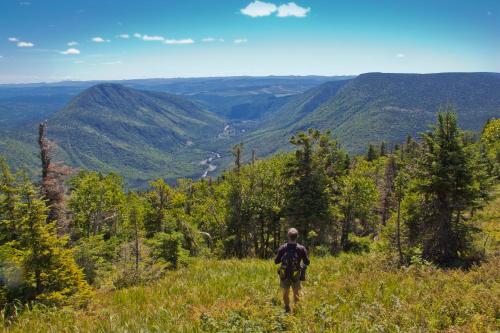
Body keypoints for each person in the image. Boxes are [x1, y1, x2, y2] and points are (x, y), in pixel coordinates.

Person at [274, 228, 310, 313]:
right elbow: (307, 262)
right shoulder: (301, 248)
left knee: (285, 292)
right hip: (296, 274)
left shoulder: (283, 248)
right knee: (296, 292)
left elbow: (276, 261)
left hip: (284, 274)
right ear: (297, 237)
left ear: (288, 236)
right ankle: (296, 310)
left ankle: (287, 308)